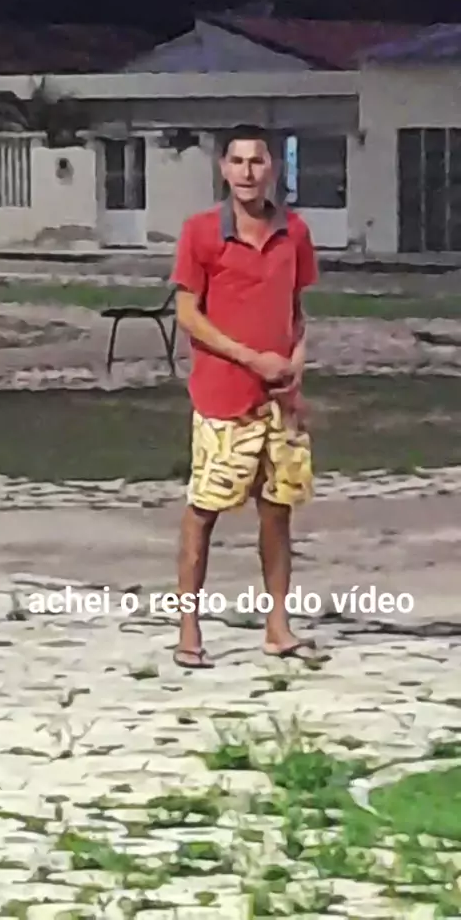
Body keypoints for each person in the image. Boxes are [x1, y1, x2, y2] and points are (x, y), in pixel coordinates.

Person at [170, 125, 317, 668]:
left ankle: (278, 626)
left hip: (281, 401)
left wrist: (295, 363)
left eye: (257, 161)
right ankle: (189, 628)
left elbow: (297, 311)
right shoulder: (201, 232)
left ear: (271, 167)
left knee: (278, 512)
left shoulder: (294, 231)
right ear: (223, 168)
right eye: (238, 161)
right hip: (223, 395)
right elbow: (188, 314)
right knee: (204, 511)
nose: (248, 172)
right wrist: (251, 358)